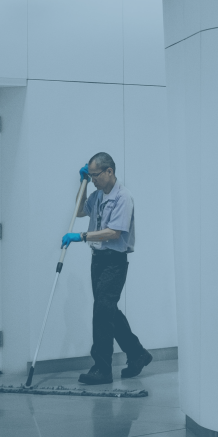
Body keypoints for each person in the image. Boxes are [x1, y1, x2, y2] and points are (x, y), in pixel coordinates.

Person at [62, 152, 153, 385]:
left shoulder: (123, 197)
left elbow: (114, 232)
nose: (93, 180)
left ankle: (102, 368)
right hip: (98, 259)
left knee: (102, 311)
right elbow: (80, 210)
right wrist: (81, 184)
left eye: (95, 176)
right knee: (108, 310)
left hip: (114, 260)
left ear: (109, 171)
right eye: (90, 176)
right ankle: (137, 354)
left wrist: (81, 235)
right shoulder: (97, 195)